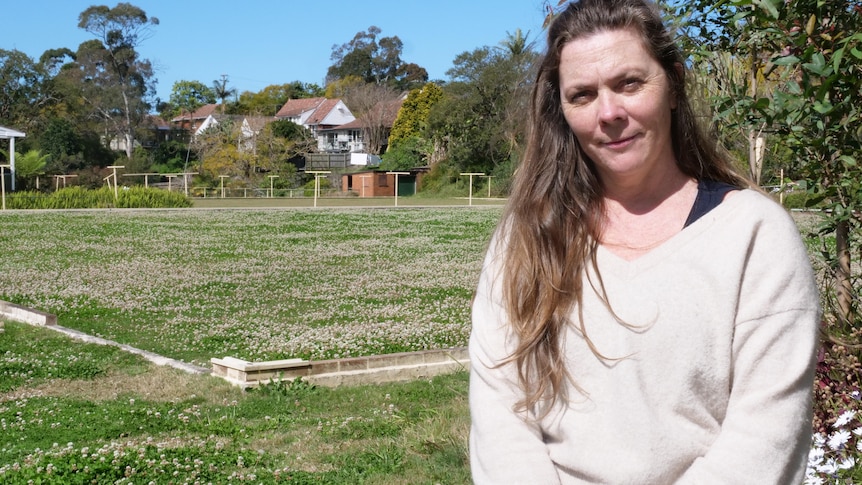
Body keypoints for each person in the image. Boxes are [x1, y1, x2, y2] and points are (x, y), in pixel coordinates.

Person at [468, 0, 821, 483]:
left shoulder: (754, 236)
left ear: (673, 84)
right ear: (563, 110)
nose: (609, 112)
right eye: (583, 95)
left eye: (629, 83)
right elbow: (500, 412)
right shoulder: (526, 238)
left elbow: (766, 437)